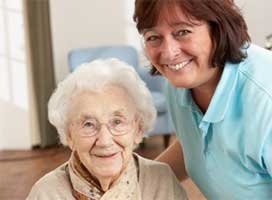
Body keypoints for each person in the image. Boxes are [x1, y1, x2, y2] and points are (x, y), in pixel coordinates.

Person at [133, 0, 272, 199]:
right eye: (153, 37)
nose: (169, 53)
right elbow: (195, 143)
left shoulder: (265, 99)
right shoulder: (179, 84)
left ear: (218, 28)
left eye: (182, 32)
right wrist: (130, 183)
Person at [26, 58, 188, 200]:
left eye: (117, 122)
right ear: (69, 135)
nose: (104, 141)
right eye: (88, 124)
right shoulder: (45, 193)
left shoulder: (162, 182)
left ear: (137, 130)